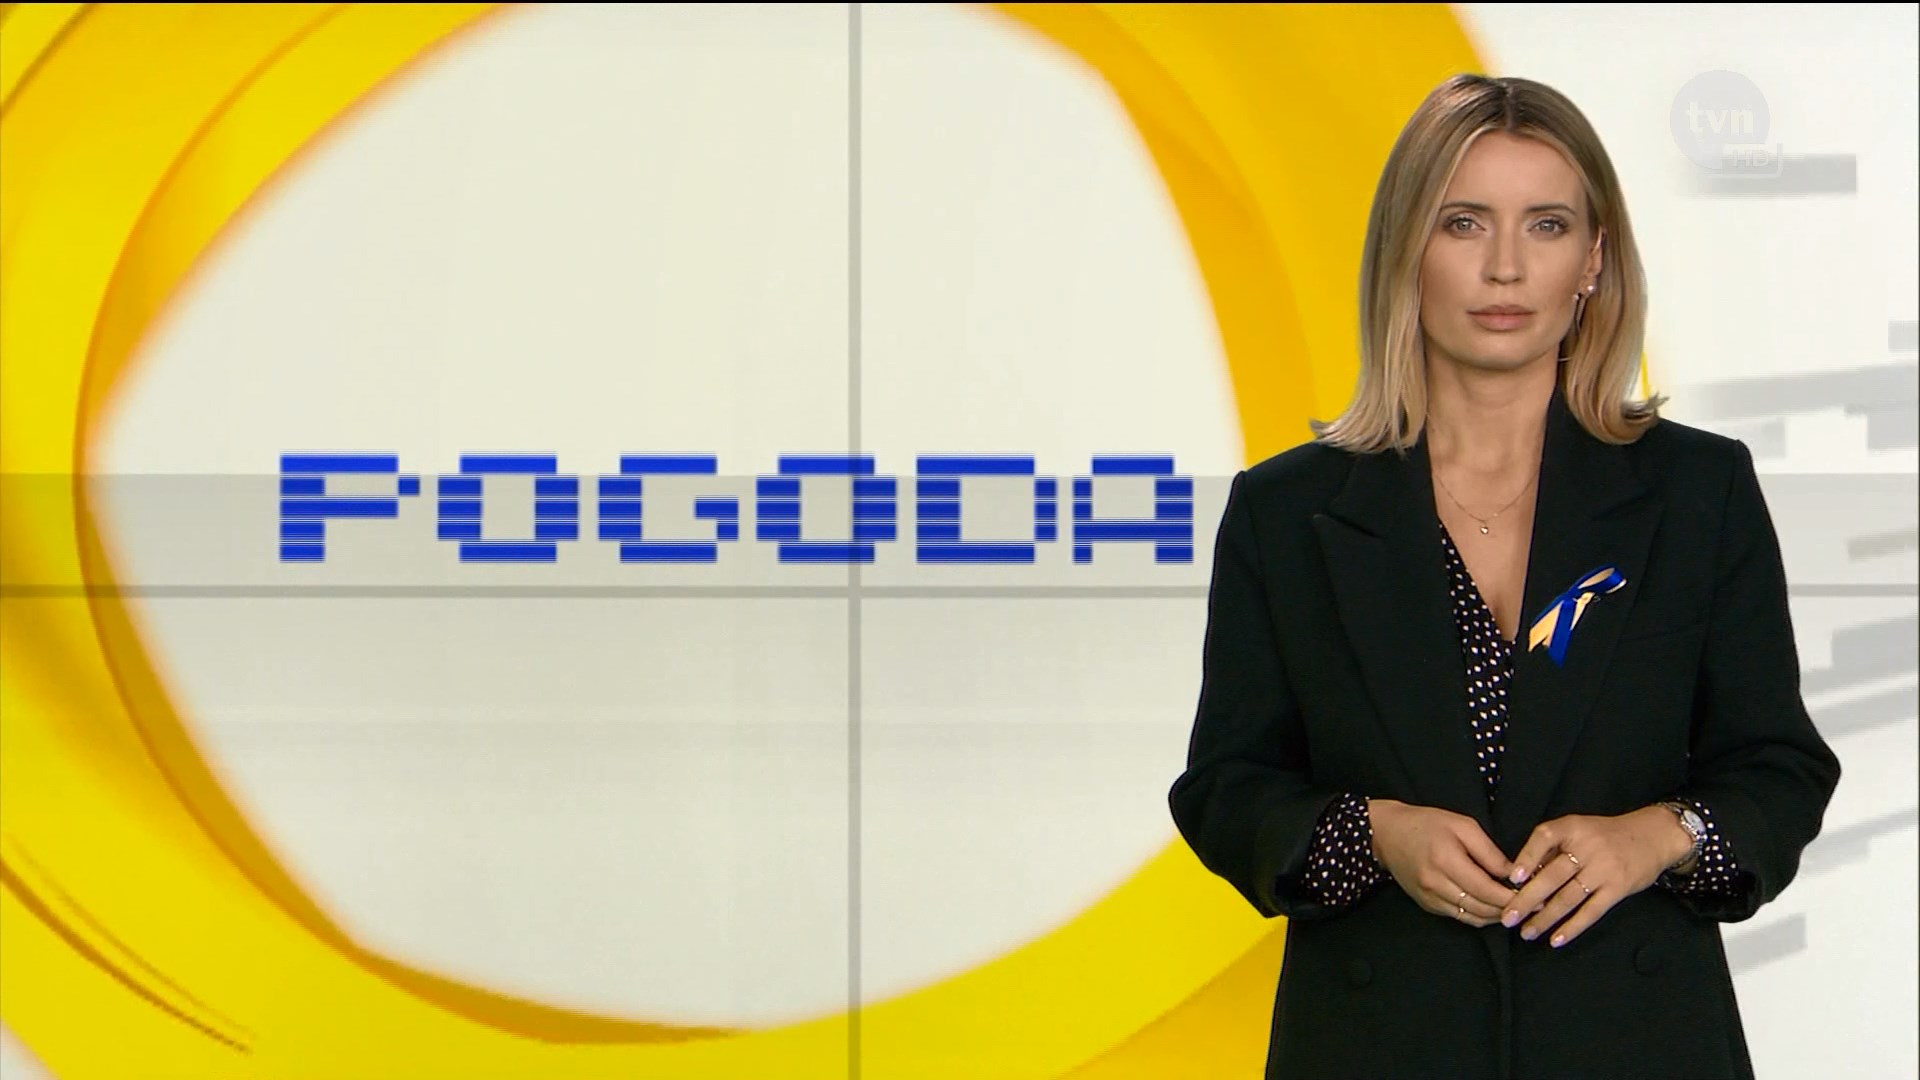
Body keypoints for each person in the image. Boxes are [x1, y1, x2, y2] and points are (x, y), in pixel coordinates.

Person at [1167, 73, 1842, 1080]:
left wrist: (1655, 838)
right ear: (1407, 249)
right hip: (1377, 1045)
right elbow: (1226, 789)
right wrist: (1373, 834)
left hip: (1639, 1040)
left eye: (1548, 225)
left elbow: (1779, 770)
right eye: (1465, 223)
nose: (1507, 267)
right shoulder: (1287, 512)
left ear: (1593, 259)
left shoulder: (1698, 491)